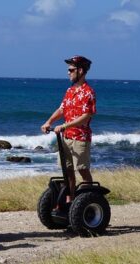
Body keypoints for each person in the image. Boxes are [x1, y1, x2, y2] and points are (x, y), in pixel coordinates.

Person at [41, 55, 96, 204]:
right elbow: (62, 109)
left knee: (83, 170)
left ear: (81, 71)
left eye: (71, 70)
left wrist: (64, 125)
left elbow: (86, 116)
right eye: (68, 70)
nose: (68, 73)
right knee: (68, 172)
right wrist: (49, 121)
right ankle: (70, 203)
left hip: (80, 138)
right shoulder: (70, 91)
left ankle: (90, 201)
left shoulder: (88, 92)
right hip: (66, 137)